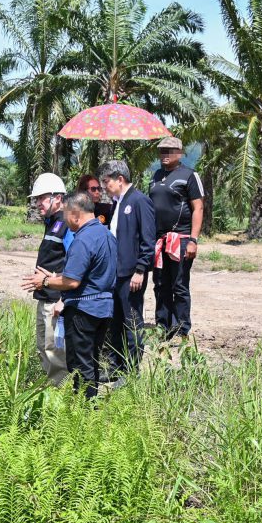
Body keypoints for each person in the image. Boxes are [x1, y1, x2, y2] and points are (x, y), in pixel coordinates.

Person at [23, 191, 116, 399]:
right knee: (91, 361)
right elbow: (89, 272)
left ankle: (83, 411)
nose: (64, 219)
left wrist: (45, 281)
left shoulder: (83, 239)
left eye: (65, 214)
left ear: (75, 214)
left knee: (79, 364)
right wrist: (57, 275)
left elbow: (72, 281)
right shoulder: (106, 235)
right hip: (104, 309)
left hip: (84, 310)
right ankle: (87, 406)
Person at [99, 160, 155, 380]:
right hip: (115, 273)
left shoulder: (140, 201)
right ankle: (116, 366)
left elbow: (148, 240)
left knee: (132, 323)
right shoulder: (118, 202)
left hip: (131, 274)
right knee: (116, 323)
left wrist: (140, 269)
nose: (104, 186)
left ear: (119, 179)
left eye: (106, 182)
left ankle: (131, 371)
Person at [149, 136, 205, 339]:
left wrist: (193, 239)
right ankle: (163, 326)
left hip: (180, 239)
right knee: (160, 283)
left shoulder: (189, 175)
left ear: (180, 153)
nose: (165, 154)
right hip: (159, 240)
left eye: (170, 151)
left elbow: (198, 208)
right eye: (162, 150)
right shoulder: (156, 175)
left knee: (179, 285)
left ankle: (182, 329)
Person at [25, 172, 74, 385]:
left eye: (42, 198)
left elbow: (74, 264)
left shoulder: (67, 223)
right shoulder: (51, 222)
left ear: (57, 198)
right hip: (44, 296)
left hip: (56, 299)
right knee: (42, 347)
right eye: (37, 199)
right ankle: (50, 388)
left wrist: (64, 300)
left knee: (55, 350)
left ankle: (61, 394)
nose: (38, 203)